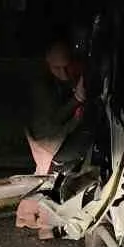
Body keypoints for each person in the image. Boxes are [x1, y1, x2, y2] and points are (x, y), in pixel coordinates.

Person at [15, 37, 86, 236]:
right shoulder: (42, 88)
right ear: (48, 63)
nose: (63, 73)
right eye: (58, 68)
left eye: (65, 67)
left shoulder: (57, 81)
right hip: (50, 143)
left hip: (52, 142)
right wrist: (77, 101)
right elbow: (55, 122)